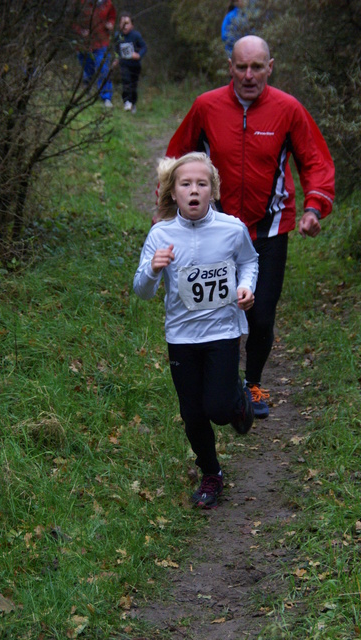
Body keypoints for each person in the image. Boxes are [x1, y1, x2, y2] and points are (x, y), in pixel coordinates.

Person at [162, 35, 335, 419]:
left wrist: (314, 207)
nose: (249, 75)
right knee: (216, 308)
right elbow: (176, 157)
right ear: (230, 67)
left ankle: (252, 382)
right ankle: (216, 382)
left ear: (270, 67)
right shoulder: (206, 107)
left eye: (257, 67)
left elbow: (315, 161)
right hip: (215, 230)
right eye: (241, 66)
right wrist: (165, 209)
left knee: (260, 314)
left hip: (270, 228)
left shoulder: (288, 109)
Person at [134, 153, 258, 509]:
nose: (193, 190)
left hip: (222, 331)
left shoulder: (231, 229)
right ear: (172, 193)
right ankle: (211, 473)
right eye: (185, 184)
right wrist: (154, 269)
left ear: (213, 191)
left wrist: (246, 287)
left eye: (201, 184)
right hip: (181, 337)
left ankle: (237, 401)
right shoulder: (161, 234)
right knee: (193, 413)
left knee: (218, 408)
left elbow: (249, 261)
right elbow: (142, 290)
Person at [72, 0, 116, 107]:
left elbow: (112, 16)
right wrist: (80, 31)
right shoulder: (81, 3)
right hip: (84, 43)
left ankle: (106, 97)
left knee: (103, 67)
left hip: (102, 41)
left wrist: (110, 24)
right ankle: (88, 89)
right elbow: (72, 20)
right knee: (88, 68)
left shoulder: (107, 3)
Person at [113, 12, 147, 113]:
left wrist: (139, 55)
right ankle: (126, 102)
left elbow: (144, 47)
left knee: (133, 85)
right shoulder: (118, 36)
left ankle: (133, 103)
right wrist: (116, 59)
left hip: (135, 65)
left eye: (127, 23)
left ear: (132, 25)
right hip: (124, 64)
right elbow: (116, 49)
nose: (125, 26)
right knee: (126, 81)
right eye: (122, 23)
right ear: (119, 25)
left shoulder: (136, 35)